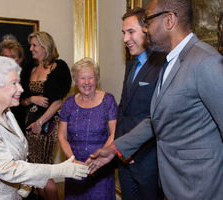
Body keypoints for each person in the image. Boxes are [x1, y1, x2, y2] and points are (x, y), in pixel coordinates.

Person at [86, 0, 223, 199]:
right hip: (172, 184)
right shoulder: (167, 62)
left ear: (169, 20)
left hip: (201, 187)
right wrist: (114, 149)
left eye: (147, 20)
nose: (145, 28)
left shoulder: (205, 61)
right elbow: (156, 119)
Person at [0, 56, 89, 200]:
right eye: (14, 83)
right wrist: (59, 170)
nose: (21, 89)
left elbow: (19, 152)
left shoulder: (5, 111)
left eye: (19, 82)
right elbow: (8, 168)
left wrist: (23, 185)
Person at [116, 7, 164, 200]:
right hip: (125, 160)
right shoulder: (131, 64)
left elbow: (158, 117)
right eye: (123, 33)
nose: (126, 39)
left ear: (147, 30)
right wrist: (121, 147)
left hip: (149, 162)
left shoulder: (163, 64)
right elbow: (124, 110)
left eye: (131, 32)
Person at [20, 31, 72, 200]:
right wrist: (31, 99)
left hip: (47, 125)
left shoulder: (59, 67)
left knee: (43, 172)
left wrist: (40, 122)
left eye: (35, 45)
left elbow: (58, 101)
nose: (31, 49)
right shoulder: (30, 68)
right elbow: (21, 100)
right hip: (29, 126)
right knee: (35, 172)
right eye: (31, 45)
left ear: (45, 46)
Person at [58, 57, 117, 200]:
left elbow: (114, 133)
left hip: (101, 166)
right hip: (75, 168)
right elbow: (62, 136)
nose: (86, 82)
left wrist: (101, 157)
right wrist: (72, 160)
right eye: (82, 78)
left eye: (90, 77)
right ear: (76, 80)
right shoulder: (68, 103)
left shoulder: (108, 101)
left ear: (96, 79)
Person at [0, 39, 26, 130]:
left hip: (22, 118)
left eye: (13, 56)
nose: (9, 60)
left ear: (20, 59)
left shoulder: (26, 75)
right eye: (6, 56)